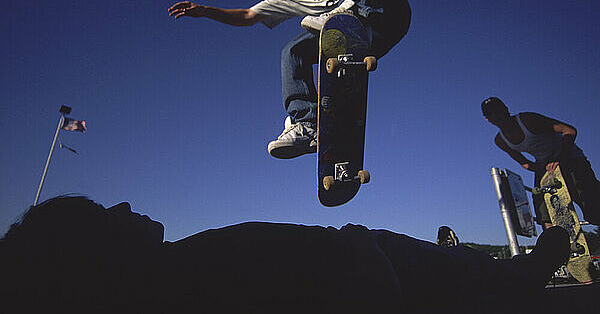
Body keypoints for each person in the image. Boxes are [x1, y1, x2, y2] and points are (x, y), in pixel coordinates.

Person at [1, 196, 570, 312]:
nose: (123, 206)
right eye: (106, 215)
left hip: (379, 257)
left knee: (476, 271)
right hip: (394, 273)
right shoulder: (189, 282)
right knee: (484, 280)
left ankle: (514, 274)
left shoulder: (181, 268)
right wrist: (362, 247)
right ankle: (520, 277)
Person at [168, 0, 411, 159]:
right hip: (369, 39)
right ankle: (307, 123)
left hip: (387, 10)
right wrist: (206, 11)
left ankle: (354, 7)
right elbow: (248, 16)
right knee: (293, 52)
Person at [481, 96, 600, 229]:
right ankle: (553, 240)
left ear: (506, 109)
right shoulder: (500, 141)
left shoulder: (528, 120)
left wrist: (559, 158)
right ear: (487, 119)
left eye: (499, 111)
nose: (497, 116)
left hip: (570, 158)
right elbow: (524, 163)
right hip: (545, 165)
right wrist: (541, 168)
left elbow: (569, 130)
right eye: (491, 114)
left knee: (593, 210)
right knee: (543, 208)